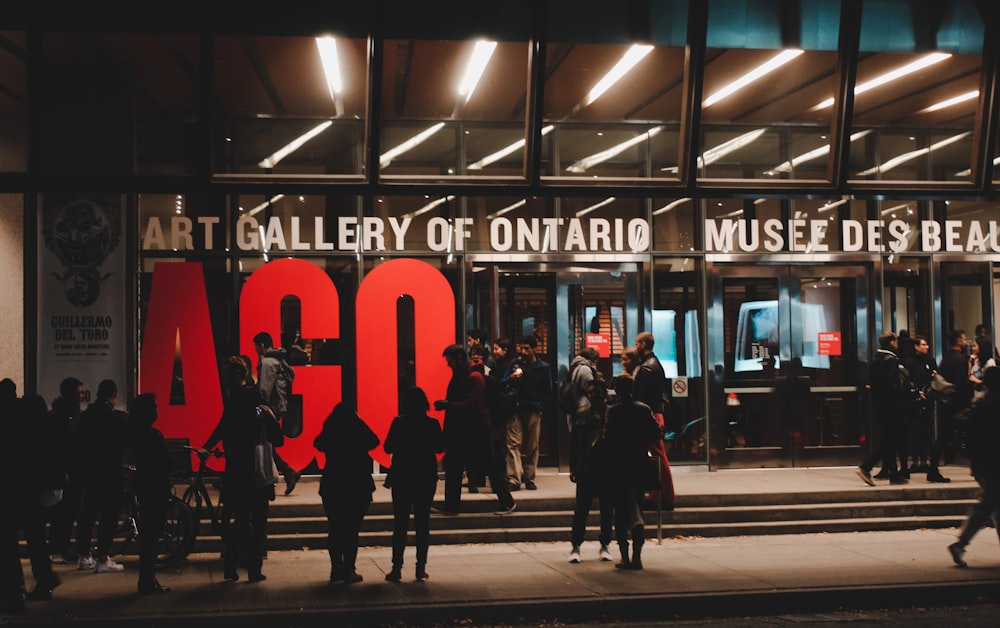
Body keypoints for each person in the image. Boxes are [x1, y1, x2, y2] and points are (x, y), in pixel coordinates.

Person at [204, 356, 283, 583]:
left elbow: (225, 424)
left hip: (240, 467)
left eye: (227, 373)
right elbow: (258, 414)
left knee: (240, 522)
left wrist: (207, 447)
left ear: (237, 374)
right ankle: (253, 570)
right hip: (254, 470)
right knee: (257, 522)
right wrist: (261, 415)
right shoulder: (248, 395)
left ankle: (232, 568)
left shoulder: (239, 397)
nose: (224, 377)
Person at [0, 385, 62, 610]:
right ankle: (43, 580)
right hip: (32, 490)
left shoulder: (9, 419)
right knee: (34, 538)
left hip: (13, 491)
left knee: (8, 543)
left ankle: (15, 591)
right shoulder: (32, 422)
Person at [383, 387, 445, 582]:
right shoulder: (431, 424)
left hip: (402, 475)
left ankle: (396, 568)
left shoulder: (399, 423)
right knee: (422, 523)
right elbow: (439, 447)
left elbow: (388, 447)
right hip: (425, 476)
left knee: (400, 523)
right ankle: (420, 568)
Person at [314, 402, 379, 584]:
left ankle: (336, 567)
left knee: (335, 528)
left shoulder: (331, 433)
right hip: (357, 484)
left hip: (333, 484)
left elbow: (319, 443)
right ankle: (349, 568)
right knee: (352, 530)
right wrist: (359, 421)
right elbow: (374, 440)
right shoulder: (357, 431)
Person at [603, 375, 662, 570]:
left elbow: (607, 438)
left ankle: (625, 556)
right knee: (637, 502)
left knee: (620, 512)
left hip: (619, 465)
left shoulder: (613, 411)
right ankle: (637, 554)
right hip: (639, 462)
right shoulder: (643, 409)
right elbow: (656, 433)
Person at [74, 379, 129, 573]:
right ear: (113, 395)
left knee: (87, 514)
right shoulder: (116, 418)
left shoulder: (86, 416)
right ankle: (103, 558)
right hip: (109, 474)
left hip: (89, 474)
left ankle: (83, 556)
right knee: (108, 517)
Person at [948, 366, 1000, 568]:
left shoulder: (981, 403)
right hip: (994, 462)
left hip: (982, 462)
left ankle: (961, 543)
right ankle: (961, 543)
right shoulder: (993, 403)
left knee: (992, 504)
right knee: (988, 504)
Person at [127, 393, 173, 594]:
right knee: (151, 536)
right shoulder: (154, 435)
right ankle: (148, 580)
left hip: (142, 486)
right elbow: (167, 461)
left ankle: (146, 579)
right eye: (154, 407)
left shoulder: (134, 433)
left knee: (147, 537)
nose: (157, 410)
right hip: (156, 488)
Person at [568, 376, 614, 564]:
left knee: (605, 509)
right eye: (591, 392)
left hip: (602, 467)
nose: (593, 396)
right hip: (589, 467)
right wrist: (574, 467)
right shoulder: (587, 415)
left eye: (596, 392)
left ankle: (603, 544)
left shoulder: (608, 415)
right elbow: (574, 444)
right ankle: (578, 545)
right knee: (583, 509)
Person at [857, 332, 910, 486]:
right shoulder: (891, 360)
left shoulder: (876, 359)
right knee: (890, 439)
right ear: (892, 342)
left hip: (879, 405)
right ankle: (866, 467)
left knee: (888, 439)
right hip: (891, 406)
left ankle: (893, 474)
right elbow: (892, 385)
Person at [253, 331, 301, 496]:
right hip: (279, 406)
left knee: (263, 440)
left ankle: (285, 473)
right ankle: (288, 473)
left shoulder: (267, 362)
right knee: (267, 442)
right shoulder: (278, 359)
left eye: (256, 347)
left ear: (262, 345)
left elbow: (264, 390)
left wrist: (258, 409)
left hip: (268, 408)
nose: (255, 350)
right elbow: (291, 375)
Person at [503, 335, 552, 491]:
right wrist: (511, 377)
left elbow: (549, 390)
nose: (523, 351)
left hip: (533, 409)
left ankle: (529, 477)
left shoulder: (543, 367)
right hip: (516, 408)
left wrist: (541, 406)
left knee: (532, 445)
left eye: (526, 348)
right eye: (521, 348)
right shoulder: (515, 364)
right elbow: (502, 381)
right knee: (512, 444)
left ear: (534, 349)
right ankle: (514, 478)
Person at [633, 332, 675, 508]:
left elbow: (642, 396)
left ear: (643, 344)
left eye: (637, 343)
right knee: (658, 455)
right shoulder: (654, 364)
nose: (635, 347)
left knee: (658, 456)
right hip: (655, 414)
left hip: (650, 416)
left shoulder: (647, 367)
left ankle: (663, 495)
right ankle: (660, 494)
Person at [47, 376, 85, 564]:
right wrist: (63, 471)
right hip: (65, 471)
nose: (80, 397)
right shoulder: (59, 418)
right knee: (62, 512)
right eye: (78, 393)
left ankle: (62, 547)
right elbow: (57, 448)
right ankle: (57, 547)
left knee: (69, 512)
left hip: (73, 470)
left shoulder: (70, 415)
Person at [929, 329, 971, 483]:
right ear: (958, 341)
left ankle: (933, 468)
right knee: (951, 436)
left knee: (943, 436)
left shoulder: (946, 358)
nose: (965, 341)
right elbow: (961, 384)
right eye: (964, 338)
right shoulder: (959, 360)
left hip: (945, 402)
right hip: (956, 404)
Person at [902, 335, 936, 474]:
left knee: (926, 431)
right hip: (913, 402)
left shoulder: (930, 361)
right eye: (923, 344)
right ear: (916, 347)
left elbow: (934, 378)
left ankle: (924, 460)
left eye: (926, 344)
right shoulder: (909, 362)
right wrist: (916, 392)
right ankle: (915, 461)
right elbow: (907, 380)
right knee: (915, 431)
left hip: (928, 399)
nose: (926, 347)